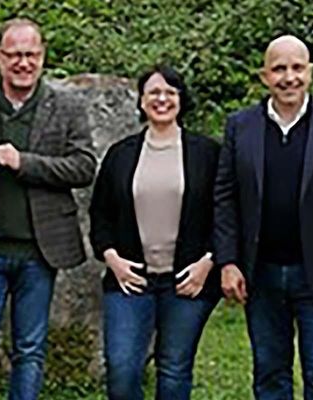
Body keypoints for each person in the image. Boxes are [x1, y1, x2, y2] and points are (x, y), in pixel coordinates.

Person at [0, 18, 96, 399]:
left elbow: (84, 167)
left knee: (30, 351)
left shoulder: (67, 107)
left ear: (42, 56)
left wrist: (24, 163)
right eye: (14, 54)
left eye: (31, 54)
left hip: (39, 252)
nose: (23, 62)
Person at [214, 35, 313, 398]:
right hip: (261, 273)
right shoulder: (240, 125)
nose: (289, 77)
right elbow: (225, 196)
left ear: (310, 72)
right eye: (279, 69)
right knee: (269, 375)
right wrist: (228, 261)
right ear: (264, 76)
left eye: (297, 68)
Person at [89, 65, 221, 400]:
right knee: (122, 370)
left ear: (181, 99)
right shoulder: (120, 154)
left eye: (170, 92)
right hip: (130, 280)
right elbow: (100, 215)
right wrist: (112, 259)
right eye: (153, 92)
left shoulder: (207, 153)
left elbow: (226, 215)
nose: (162, 99)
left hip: (189, 281)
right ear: (142, 101)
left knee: (174, 369)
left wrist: (208, 262)